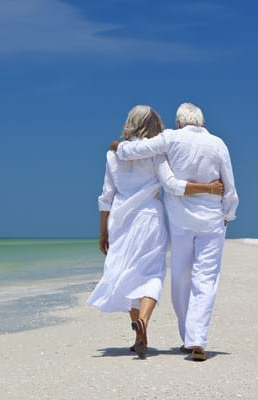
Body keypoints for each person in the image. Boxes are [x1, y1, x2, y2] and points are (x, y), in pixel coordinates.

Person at [87, 105, 223, 358]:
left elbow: (106, 196)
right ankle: (144, 323)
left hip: (119, 219)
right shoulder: (159, 154)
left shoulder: (113, 155)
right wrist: (207, 188)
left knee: (128, 272)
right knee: (151, 273)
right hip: (150, 217)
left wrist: (102, 231)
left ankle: (137, 328)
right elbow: (171, 185)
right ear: (155, 125)